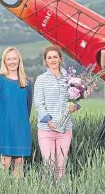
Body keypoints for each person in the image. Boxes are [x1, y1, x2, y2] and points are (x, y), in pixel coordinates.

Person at [33, 45, 79, 180]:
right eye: (49, 57)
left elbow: (75, 98)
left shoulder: (70, 79)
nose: (52, 60)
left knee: (61, 165)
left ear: (60, 58)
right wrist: (48, 121)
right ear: (45, 61)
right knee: (49, 165)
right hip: (46, 129)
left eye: (55, 57)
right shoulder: (41, 80)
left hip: (65, 129)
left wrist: (75, 107)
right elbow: (39, 103)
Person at [0, 47, 32, 178]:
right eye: (9, 59)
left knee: (19, 161)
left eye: (14, 58)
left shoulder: (26, 82)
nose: (12, 61)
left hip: (22, 127)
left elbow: (28, 105)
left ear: (19, 60)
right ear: (4, 61)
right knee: (5, 161)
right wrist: (1, 119)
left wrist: (23, 120)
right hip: (5, 126)